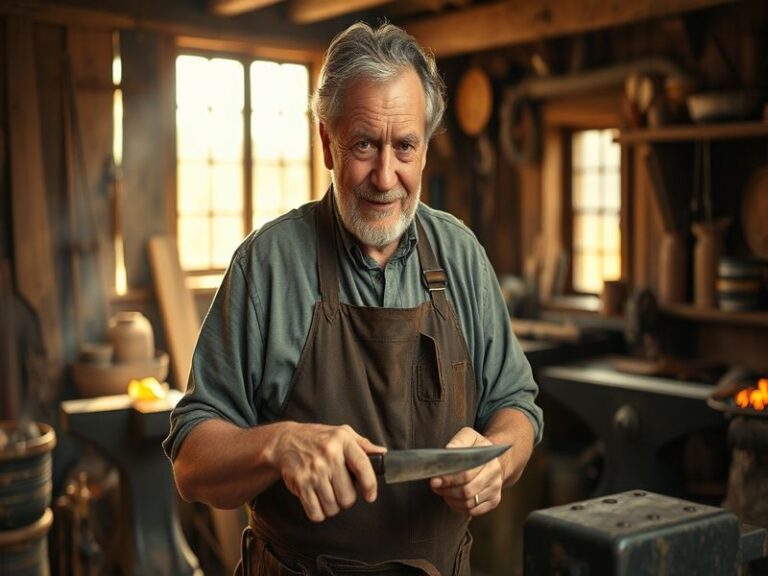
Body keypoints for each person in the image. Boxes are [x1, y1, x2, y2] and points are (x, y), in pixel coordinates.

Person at [163, 21, 543, 576]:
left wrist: (497, 460)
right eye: (365, 144)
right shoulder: (267, 266)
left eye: (405, 147)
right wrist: (278, 445)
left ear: (424, 149)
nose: (385, 177)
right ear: (326, 142)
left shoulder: (461, 256)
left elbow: (517, 406)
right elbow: (192, 463)